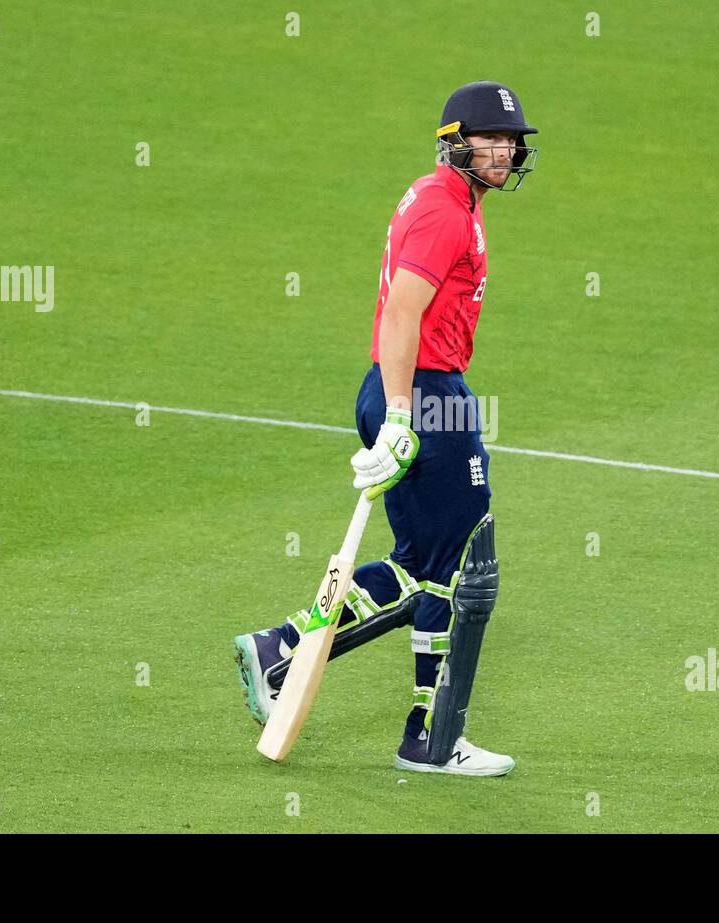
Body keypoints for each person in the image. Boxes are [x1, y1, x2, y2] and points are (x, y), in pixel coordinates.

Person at [234, 81, 538, 777]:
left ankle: (286, 652)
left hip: (418, 386)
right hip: (425, 389)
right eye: (493, 137)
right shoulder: (443, 210)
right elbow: (402, 313)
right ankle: (427, 734)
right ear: (456, 141)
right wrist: (402, 415)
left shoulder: (446, 200)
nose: (508, 149)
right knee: (462, 566)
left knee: (429, 567)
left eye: (512, 139)